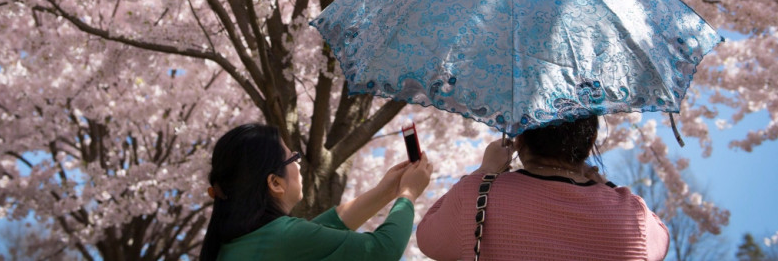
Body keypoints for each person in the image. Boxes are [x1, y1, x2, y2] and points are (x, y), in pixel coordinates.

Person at [416, 115, 670, 260]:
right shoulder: (633, 214)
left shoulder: (480, 193)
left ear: (520, 139)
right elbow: (662, 239)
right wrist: (602, 181)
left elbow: (428, 237)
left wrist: (485, 172)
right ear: (591, 140)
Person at [200, 123, 433, 261]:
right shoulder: (282, 236)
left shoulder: (238, 243)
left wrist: (386, 191)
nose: (298, 163)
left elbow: (325, 230)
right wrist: (408, 193)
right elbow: (384, 250)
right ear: (275, 183)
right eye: (292, 157)